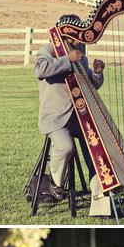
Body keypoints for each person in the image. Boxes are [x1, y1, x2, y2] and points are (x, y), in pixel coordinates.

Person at [34, 41, 105, 205]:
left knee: (98, 148)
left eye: (77, 38)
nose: (76, 42)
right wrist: (67, 60)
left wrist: (97, 74)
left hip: (79, 117)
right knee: (66, 147)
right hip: (55, 116)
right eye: (72, 38)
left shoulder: (80, 56)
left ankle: (100, 198)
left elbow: (91, 85)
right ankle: (55, 184)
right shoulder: (47, 51)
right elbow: (39, 70)